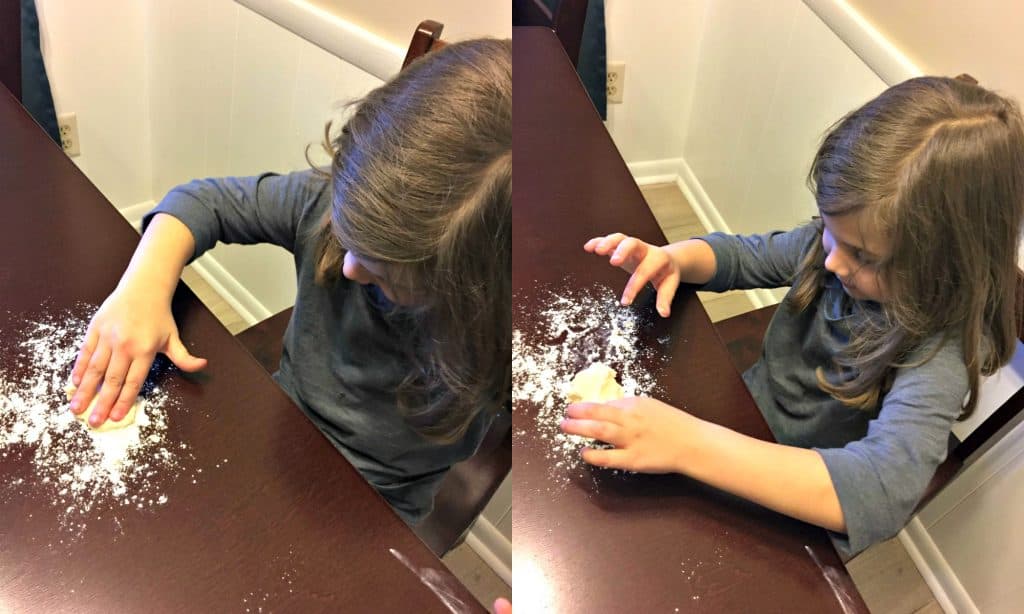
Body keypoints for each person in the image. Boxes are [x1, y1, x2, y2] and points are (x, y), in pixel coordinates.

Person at [564, 75, 1024, 556]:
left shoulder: (937, 351)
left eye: (864, 257)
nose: (833, 262)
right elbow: (742, 256)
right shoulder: (829, 250)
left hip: (800, 504)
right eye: (830, 230)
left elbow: (883, 490)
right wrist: (676, 258)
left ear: (944, 265)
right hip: (747, 417)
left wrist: (689, 444)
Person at [68, 38, 512, 524]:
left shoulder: (505, 330)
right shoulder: (323, 207)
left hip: (379, 506)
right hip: (282, 423)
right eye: (350, 240)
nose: (349, 268)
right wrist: (141, 291)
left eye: (385, 273)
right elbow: (200, 202)